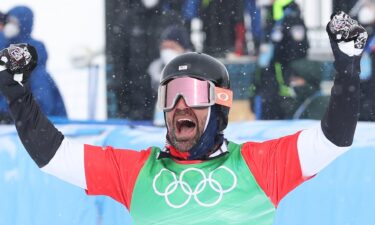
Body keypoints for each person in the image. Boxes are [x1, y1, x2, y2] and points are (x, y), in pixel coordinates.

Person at [0, 12, 367, 224]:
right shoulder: (137, 172)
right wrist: (17, 93)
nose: (179, 106)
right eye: (170, 95)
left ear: (221, 106)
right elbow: (53, 157)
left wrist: (348, 67)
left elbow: (333, 140)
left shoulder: (259, 165)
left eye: (192, 95)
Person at [107, 0, 184, 120]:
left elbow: (184, 54)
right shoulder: (128, 20)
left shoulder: (171, 19)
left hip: (165, 97)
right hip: (134, 100)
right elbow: (119, 61)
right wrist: (121, 95)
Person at [0, 6, 67, 122]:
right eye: (8, 22)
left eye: (14, 22)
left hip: (44, 128)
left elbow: (42, 101)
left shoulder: (36, 71)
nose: (9, 26)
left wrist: (12, 115)